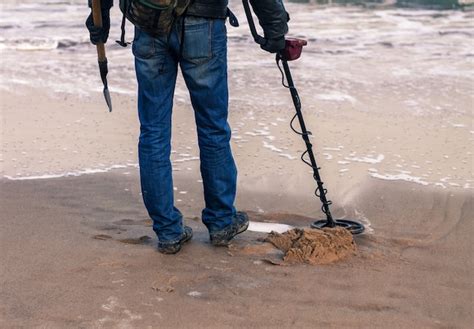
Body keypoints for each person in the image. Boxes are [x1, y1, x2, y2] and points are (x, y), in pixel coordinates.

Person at [86, 0, 289, 254]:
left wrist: (99, 19)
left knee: (153, 132)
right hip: (203, 24)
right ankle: (221, 222)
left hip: (150, 22)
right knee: (213, 127)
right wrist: (275, 29)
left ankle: (168, 231)